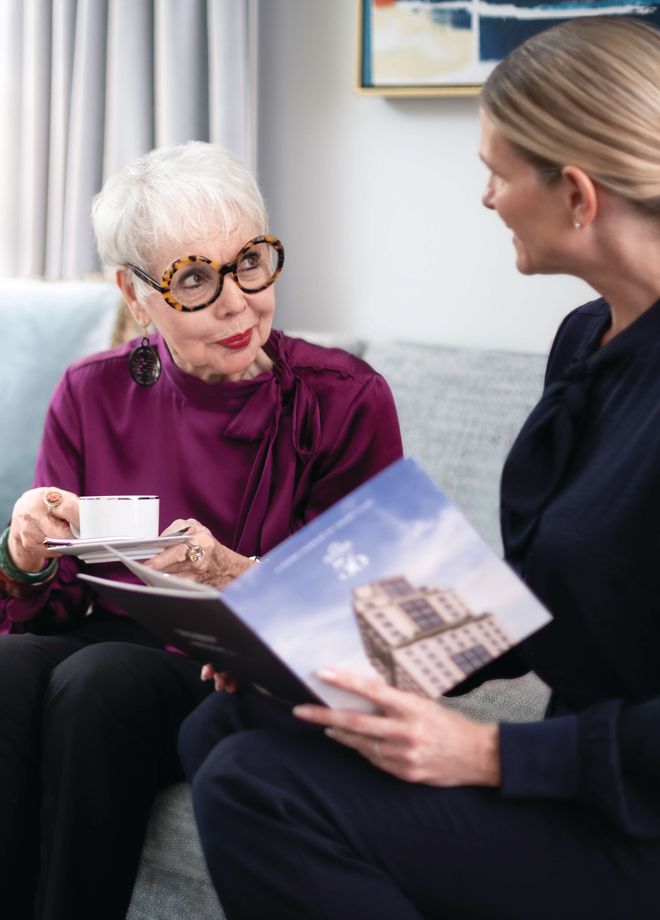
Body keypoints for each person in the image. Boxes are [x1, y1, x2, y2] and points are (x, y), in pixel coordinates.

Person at [177, 17, 660, 919]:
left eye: (497, 172)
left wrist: (489, 756)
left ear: (580, 196)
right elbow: (550, 593)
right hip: (585, 789)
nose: (484, 199)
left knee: (254, 784)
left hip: (640, 828)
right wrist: (316, 649)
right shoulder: (588, 341)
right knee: (235, 719)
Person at [0, 141, 403, 920]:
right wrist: (27, 557)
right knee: (10, 665)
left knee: (97, 684)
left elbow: (362, 615)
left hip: (247, 666)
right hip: (120, 643)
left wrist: (230, 572)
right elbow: (48, 616)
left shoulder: (344, 399)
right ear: (134, 291)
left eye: (250, 261)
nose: (236, 301)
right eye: (193, 278)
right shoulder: (92, 391)